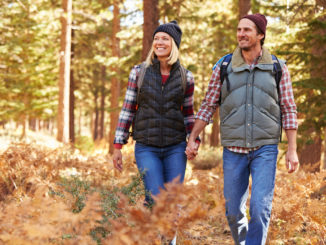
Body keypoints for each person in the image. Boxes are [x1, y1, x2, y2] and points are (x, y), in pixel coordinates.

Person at [186, 13, 299, 245]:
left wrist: (292, 149)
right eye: (239, 30)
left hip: (265, 149)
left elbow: (288, 108)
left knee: (259, 208)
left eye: (247, 30)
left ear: (260, 34)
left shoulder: (277, 67)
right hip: (233, 149)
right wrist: (193, 137)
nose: (241, 34)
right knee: (233, 211)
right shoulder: (224, 65)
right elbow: (209, 104)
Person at [113, 20, 198, 208]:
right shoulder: (139, 72)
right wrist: (118, 145)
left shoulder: (186, 77)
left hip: (175, 147)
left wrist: (193, 140)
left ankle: (168, 239)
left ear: (174, 44)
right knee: (155, 197)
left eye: (165, 39)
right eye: (156, 38)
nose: (159, 42)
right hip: (146, 147)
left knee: (173, 200)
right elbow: (128, 108)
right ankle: (153, 233)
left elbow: (189, 115)